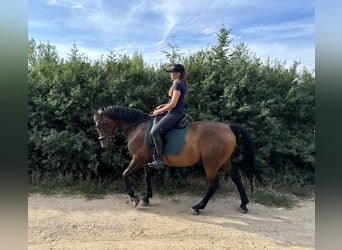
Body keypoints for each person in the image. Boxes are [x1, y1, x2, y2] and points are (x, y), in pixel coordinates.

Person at [148, 63, 187, 169]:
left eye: (172, 72)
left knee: (154, 132)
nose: (170, 74)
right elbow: (172, 102)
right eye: (170, 72)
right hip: (174, 111)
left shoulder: (178, 84)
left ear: (178, 74)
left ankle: (159, 161)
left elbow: (173, 104)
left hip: (175, 113)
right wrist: (162, 106)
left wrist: (158, 111)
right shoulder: (177, 82)